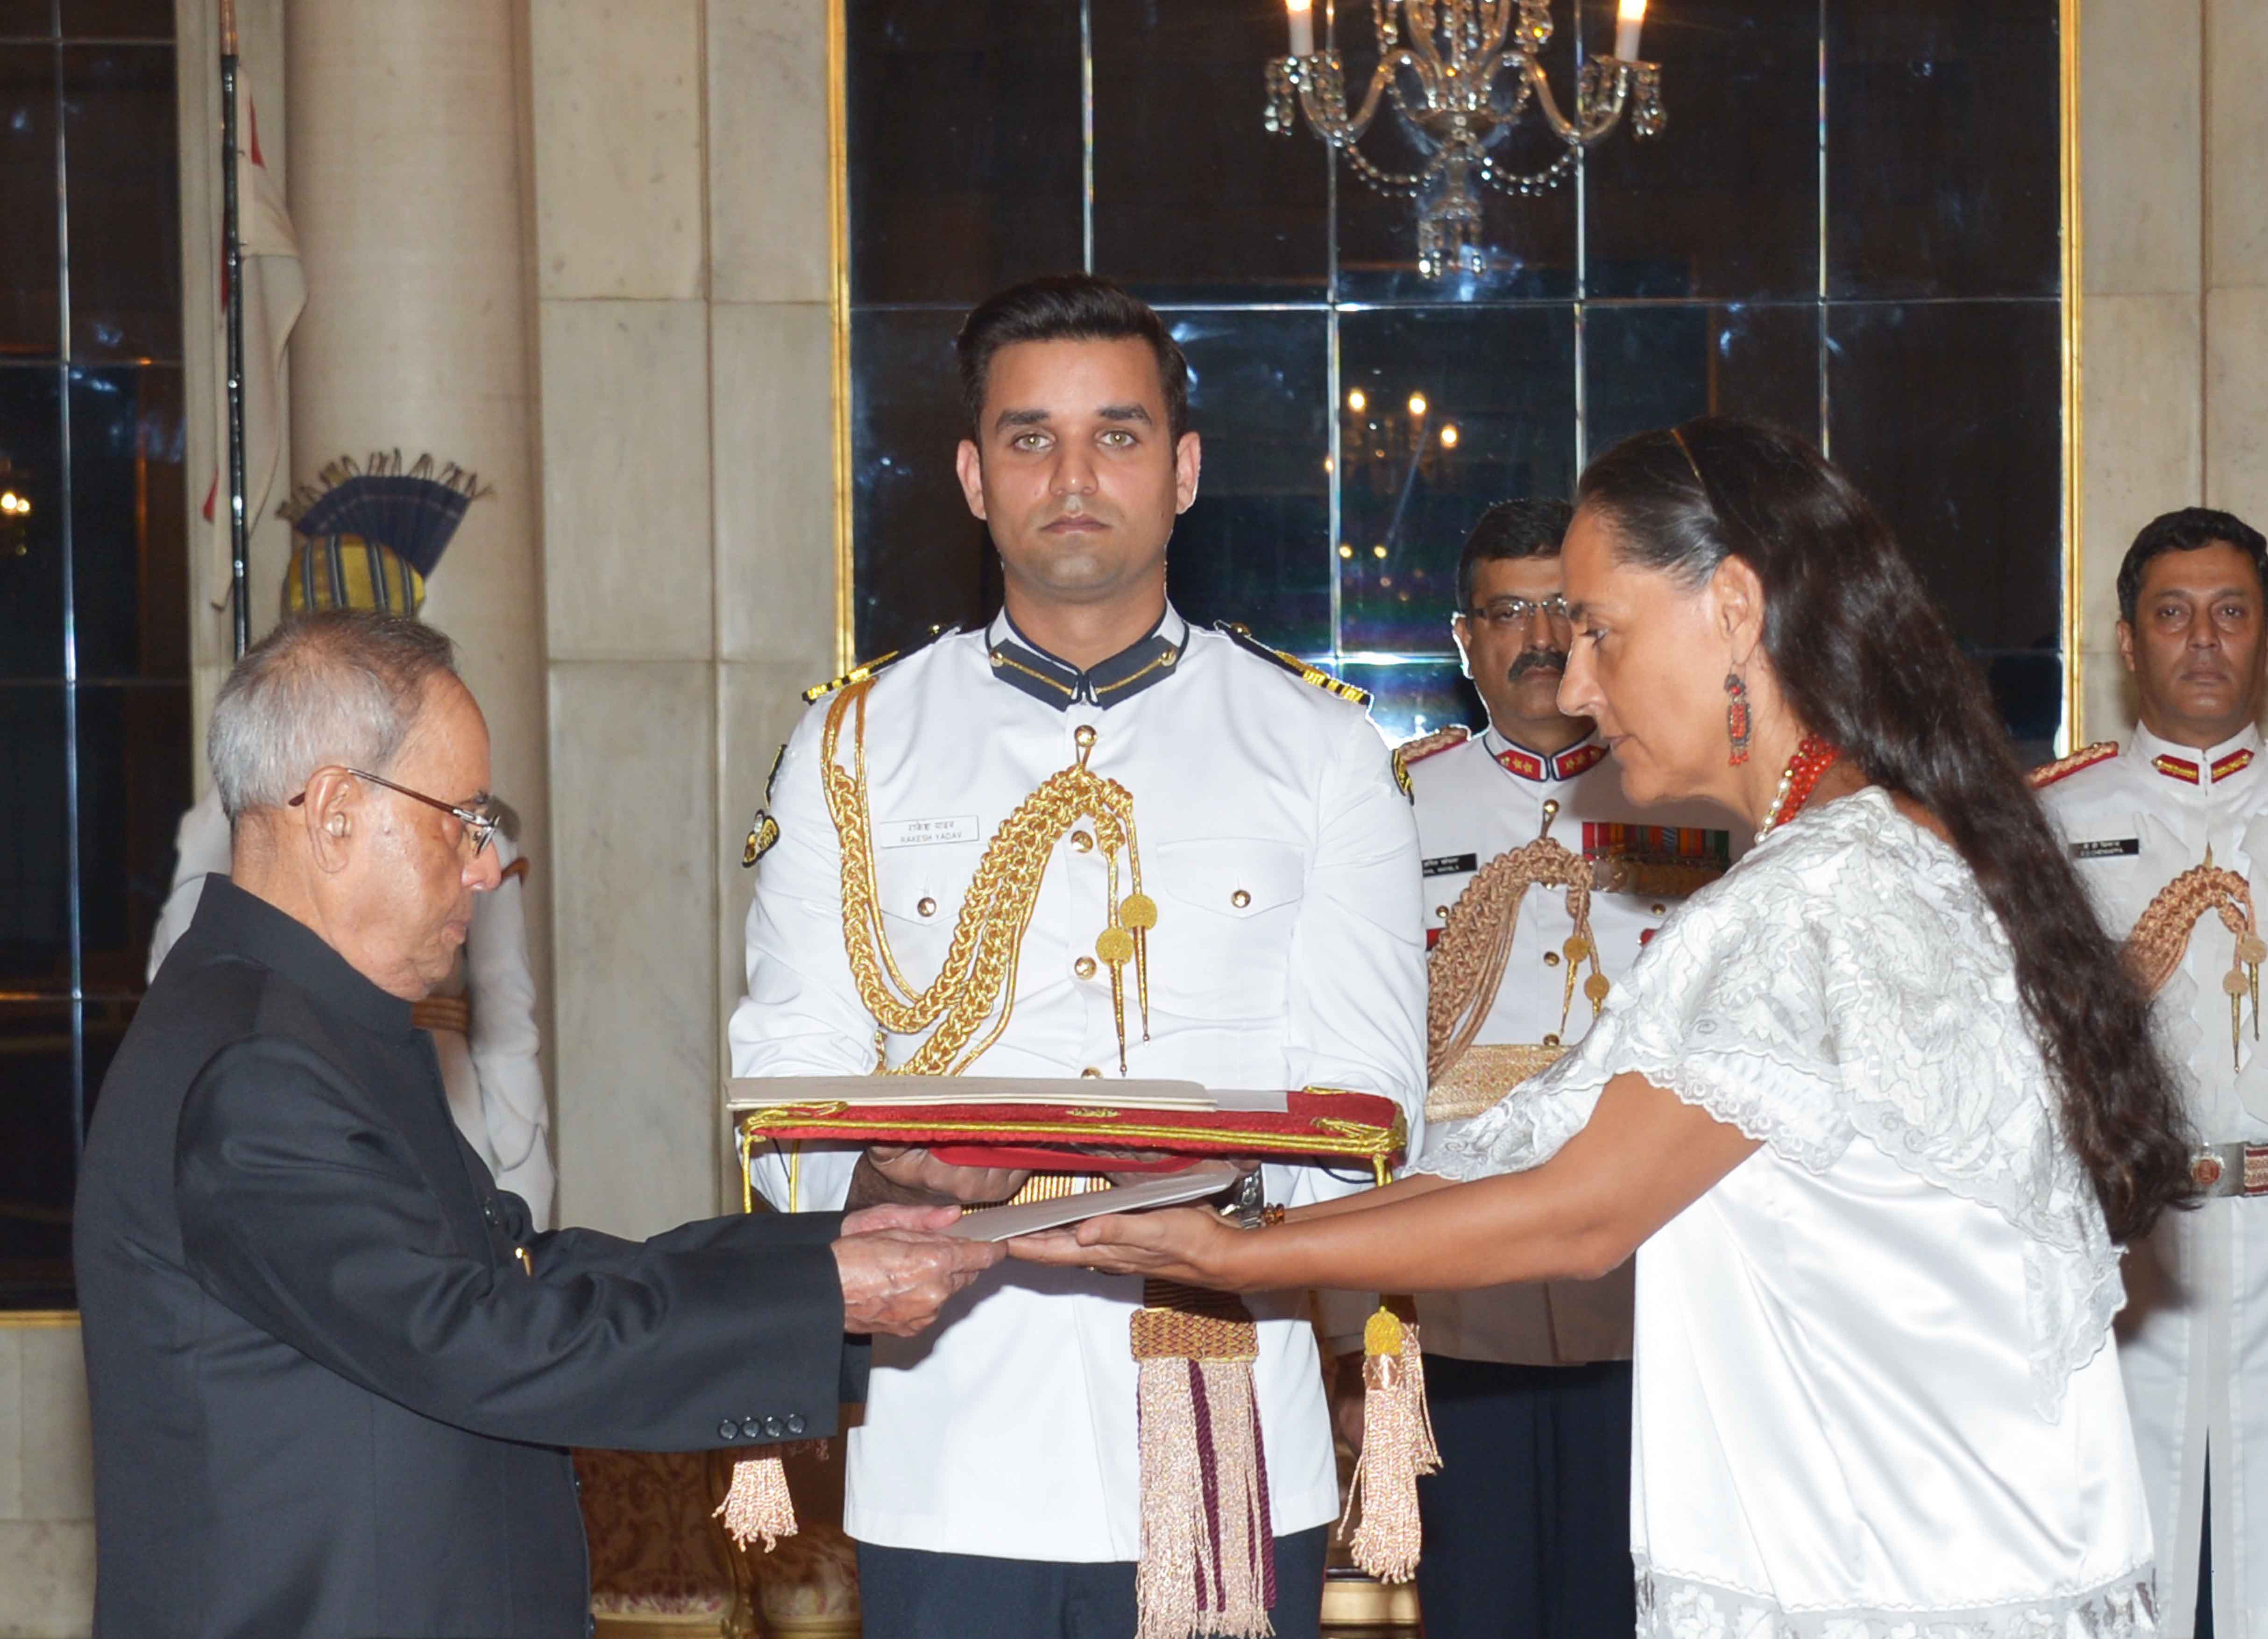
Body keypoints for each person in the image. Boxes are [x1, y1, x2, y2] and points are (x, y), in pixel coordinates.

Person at [1015, 416, 2191, 1638]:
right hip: (1955, 1551)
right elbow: (1528, 1153)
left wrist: (1233, 1259)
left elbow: (1583, 1211)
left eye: (1601, 630)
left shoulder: (1815, 896)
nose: (1576, 684)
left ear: (1733, 607)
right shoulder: (1907, 844)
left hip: (1883, 1574)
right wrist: (1234, 1198)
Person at [74, 610, 1001, 1639]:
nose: (485, 865)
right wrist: (819, 1294)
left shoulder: (304, 1024)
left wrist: (817, 1258)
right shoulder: (257, 1067)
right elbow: (481, 1340)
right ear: (335, 812)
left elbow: (509, 1278)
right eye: (463, 820)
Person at [728, 273, 1425, 1639]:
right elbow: (782, 1086)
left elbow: (1369, 1110)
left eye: (1117, 432)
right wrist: (889, 1170)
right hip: (956, 1429)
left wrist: (1182, 1190)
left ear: (1185, 469)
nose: (1075, 472)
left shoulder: (1319, 747)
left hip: (1224, 1412)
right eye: (1030, 437)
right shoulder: (854, 745)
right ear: (975, 479)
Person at [1398, 495, 1743, 1639]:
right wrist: (1359, 1333)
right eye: (1507, 611)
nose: (1539, 637)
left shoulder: (1694, 803)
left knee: (1638, 1605)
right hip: (1462, 1303)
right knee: (1478, 1607)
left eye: (1563, 608)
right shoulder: (1392, 804)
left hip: (1653, 1299)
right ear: (1464, 640)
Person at [148, 451, 556, 1220]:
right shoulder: (232, 818)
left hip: (446, 1102)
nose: (480, 867)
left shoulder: (464, 822)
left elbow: (505, 1013)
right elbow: (188, 990)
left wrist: (523, 1171)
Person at [2034, 506, 2268, 1639]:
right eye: (2172, 615)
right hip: (2125, 1252)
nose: (2202, 641)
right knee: (2122, 1584)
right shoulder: (2051, 817)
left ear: (2266, 639)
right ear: (2127, 641)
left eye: (2229, 614)